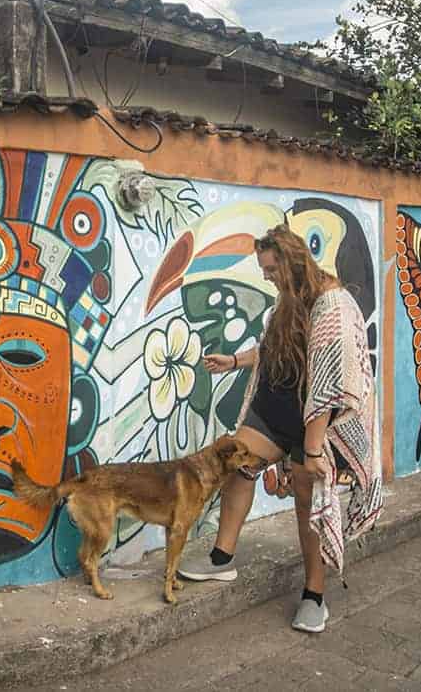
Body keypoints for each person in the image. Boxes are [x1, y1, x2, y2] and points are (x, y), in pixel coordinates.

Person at [176, 224, 383, 633]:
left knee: (308, 500)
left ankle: (314, 595)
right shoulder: (289, 298)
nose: (267, 276)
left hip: (315, 423)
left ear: (292, 262)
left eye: (271, 269)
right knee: (236, 462)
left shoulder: (333, 305)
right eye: (264, 269)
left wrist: (312, 451)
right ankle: (221, 559)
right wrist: (235, 361)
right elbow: (272, 347)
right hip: (275, 410)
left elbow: (328, 385)